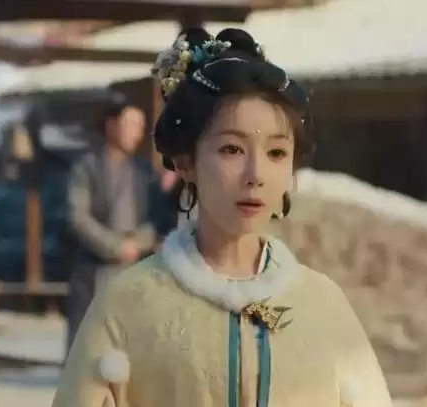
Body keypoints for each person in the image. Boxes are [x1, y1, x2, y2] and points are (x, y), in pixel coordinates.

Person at [52, 27, 393, 407]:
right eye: (231, 149)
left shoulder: (323, 304)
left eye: (276, 153)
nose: (256, 175)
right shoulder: (127, 304)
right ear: (186, 162)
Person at [65, 93, 175, 353]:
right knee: (89, 347)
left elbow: (158, 218)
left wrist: (138, 243)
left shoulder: (144, 171)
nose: (137, 133)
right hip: (95, 267)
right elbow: (78, 217)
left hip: (135, 266)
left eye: (140, 127)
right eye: (131, 124)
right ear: (111, 125)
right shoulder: (87, 167)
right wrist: (115, 247)